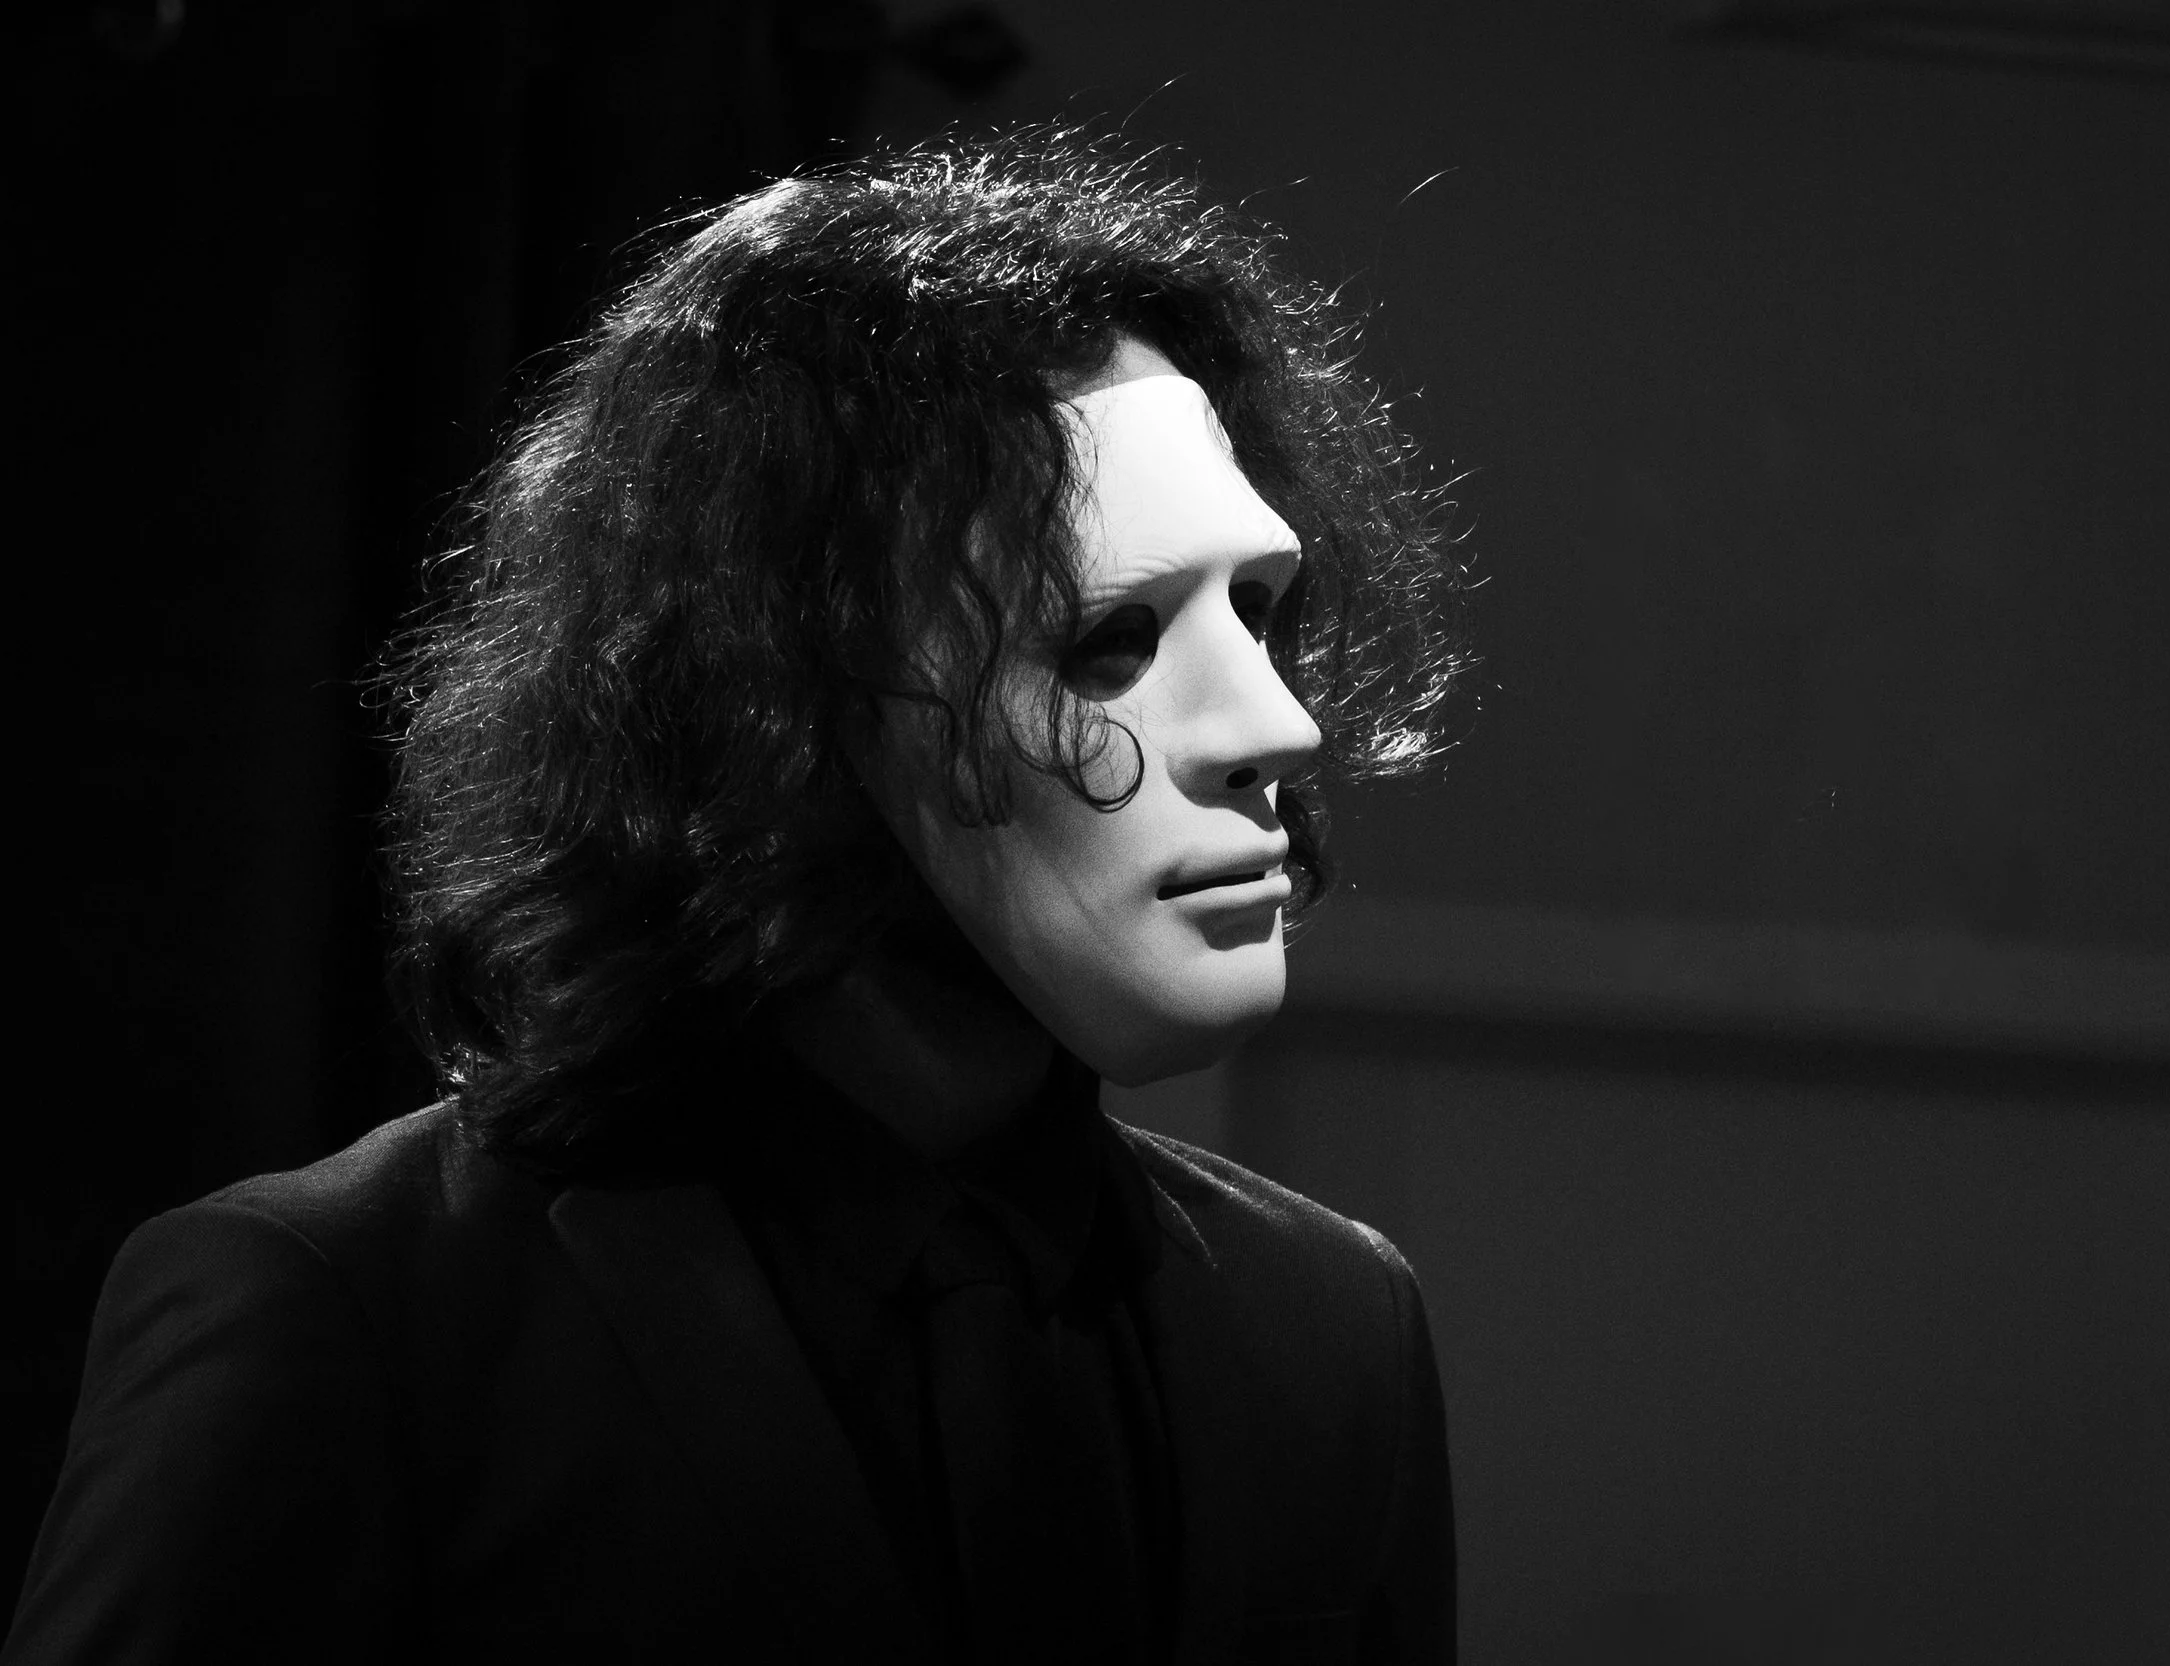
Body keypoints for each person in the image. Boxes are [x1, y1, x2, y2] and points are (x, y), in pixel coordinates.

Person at [5, 129, 1469, 1665]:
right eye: (1109, 636)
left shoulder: (1330, 1331)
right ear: (784, 695)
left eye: (1261, 611)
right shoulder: (353, 1320)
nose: (1276, 725)